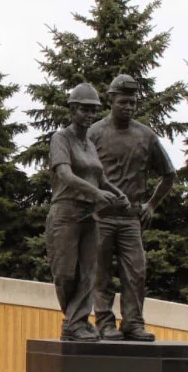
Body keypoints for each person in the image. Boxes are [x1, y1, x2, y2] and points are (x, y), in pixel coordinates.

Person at [88, 74, 176, 341]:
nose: (128, 107)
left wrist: (151, 205)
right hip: (101, 216)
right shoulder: (95, 134)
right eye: (123, 101)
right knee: (100, 274)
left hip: (130, 219)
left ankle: (133, 323)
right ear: (111, 100)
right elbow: (82, 174)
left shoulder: (145, 136)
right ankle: (104, 323)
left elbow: (169, 173)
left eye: (133, 103)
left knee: (136, 273)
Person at [48, 83, 128, 341]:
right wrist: (96, 193)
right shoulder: (61, 138)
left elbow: (101, 178)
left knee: (88, 272)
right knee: (65, 272)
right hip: (65, 214)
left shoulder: (89, 144)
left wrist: (117, 193)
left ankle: (76, 322)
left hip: (90, 216)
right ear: (72, 110)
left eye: (93, 110)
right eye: (84, 109)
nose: (89, 115)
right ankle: (73, 320)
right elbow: (64, 174)